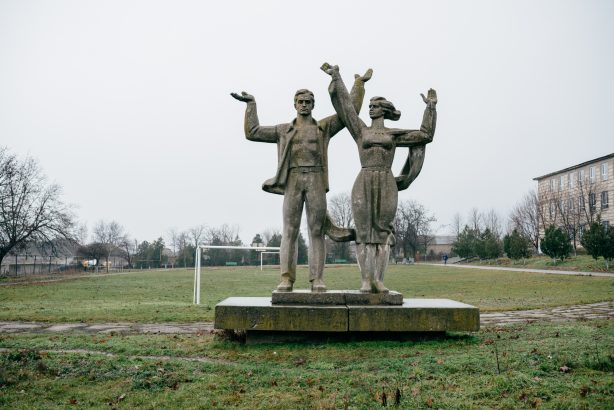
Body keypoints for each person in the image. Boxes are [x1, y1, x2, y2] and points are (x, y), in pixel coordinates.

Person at [231, 69, 371, 292]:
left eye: (308, 102)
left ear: (313, 105)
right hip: (293, 179)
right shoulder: (283, 130)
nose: (304, 105)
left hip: (316, 178)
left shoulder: (323, 127)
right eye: (300, 102)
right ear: (294, 105)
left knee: (316, 231)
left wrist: (358, 85)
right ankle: (286, 279)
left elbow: (349, 112)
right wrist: (251, 105)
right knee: (290, 230)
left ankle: (317, 279)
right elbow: (253, 132)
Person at [322, 64, 437, 293]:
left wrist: (431, 108)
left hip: (386, 182)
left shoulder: (393, 134)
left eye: (375, 106)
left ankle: (379, 280)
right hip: (364, 181)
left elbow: (425, 135)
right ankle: (366, 280)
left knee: (383, 234)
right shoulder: (361, 130)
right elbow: (346, 108)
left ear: (384, 110)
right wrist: (337, 77)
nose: (371, 109)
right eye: (370, 106)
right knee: (363, 234)